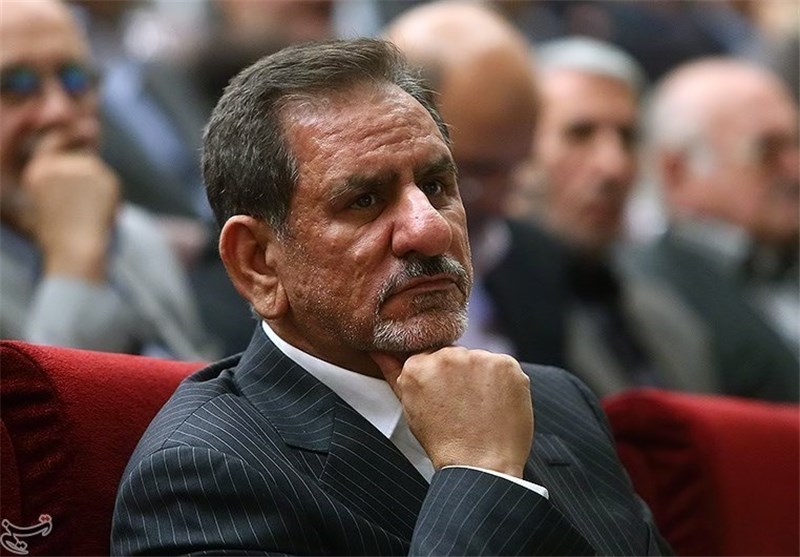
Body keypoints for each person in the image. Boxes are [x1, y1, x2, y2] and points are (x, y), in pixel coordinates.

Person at [111, 38, 670, 555]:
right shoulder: (203, 475)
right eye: (365, 200)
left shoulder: (557, 402)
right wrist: (481, 474)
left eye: (436, 186)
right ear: (258, 263)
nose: (429, 229)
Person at [0, 0, 216, 361]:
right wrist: (75, 258)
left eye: (75, 79)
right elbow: (47, 399)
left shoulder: (136, 236)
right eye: (15, 85)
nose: (59, 111)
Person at [504, 36, 716, 397]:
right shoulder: (488, 324)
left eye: (628, 137)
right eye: (580, 134)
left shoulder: (671, 320)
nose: (614, 166)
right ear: (518, 153)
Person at [385, 2, 566, 366]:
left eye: (516, 168)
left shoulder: (539, 260)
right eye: (475, 172)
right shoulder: (344, 270)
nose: (501, 202)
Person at [634, 57, 799, 402]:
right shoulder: (646, 287)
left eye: (796, 145)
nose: (795, 169)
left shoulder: (782, 259)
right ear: (677, 171)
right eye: (768, 150)